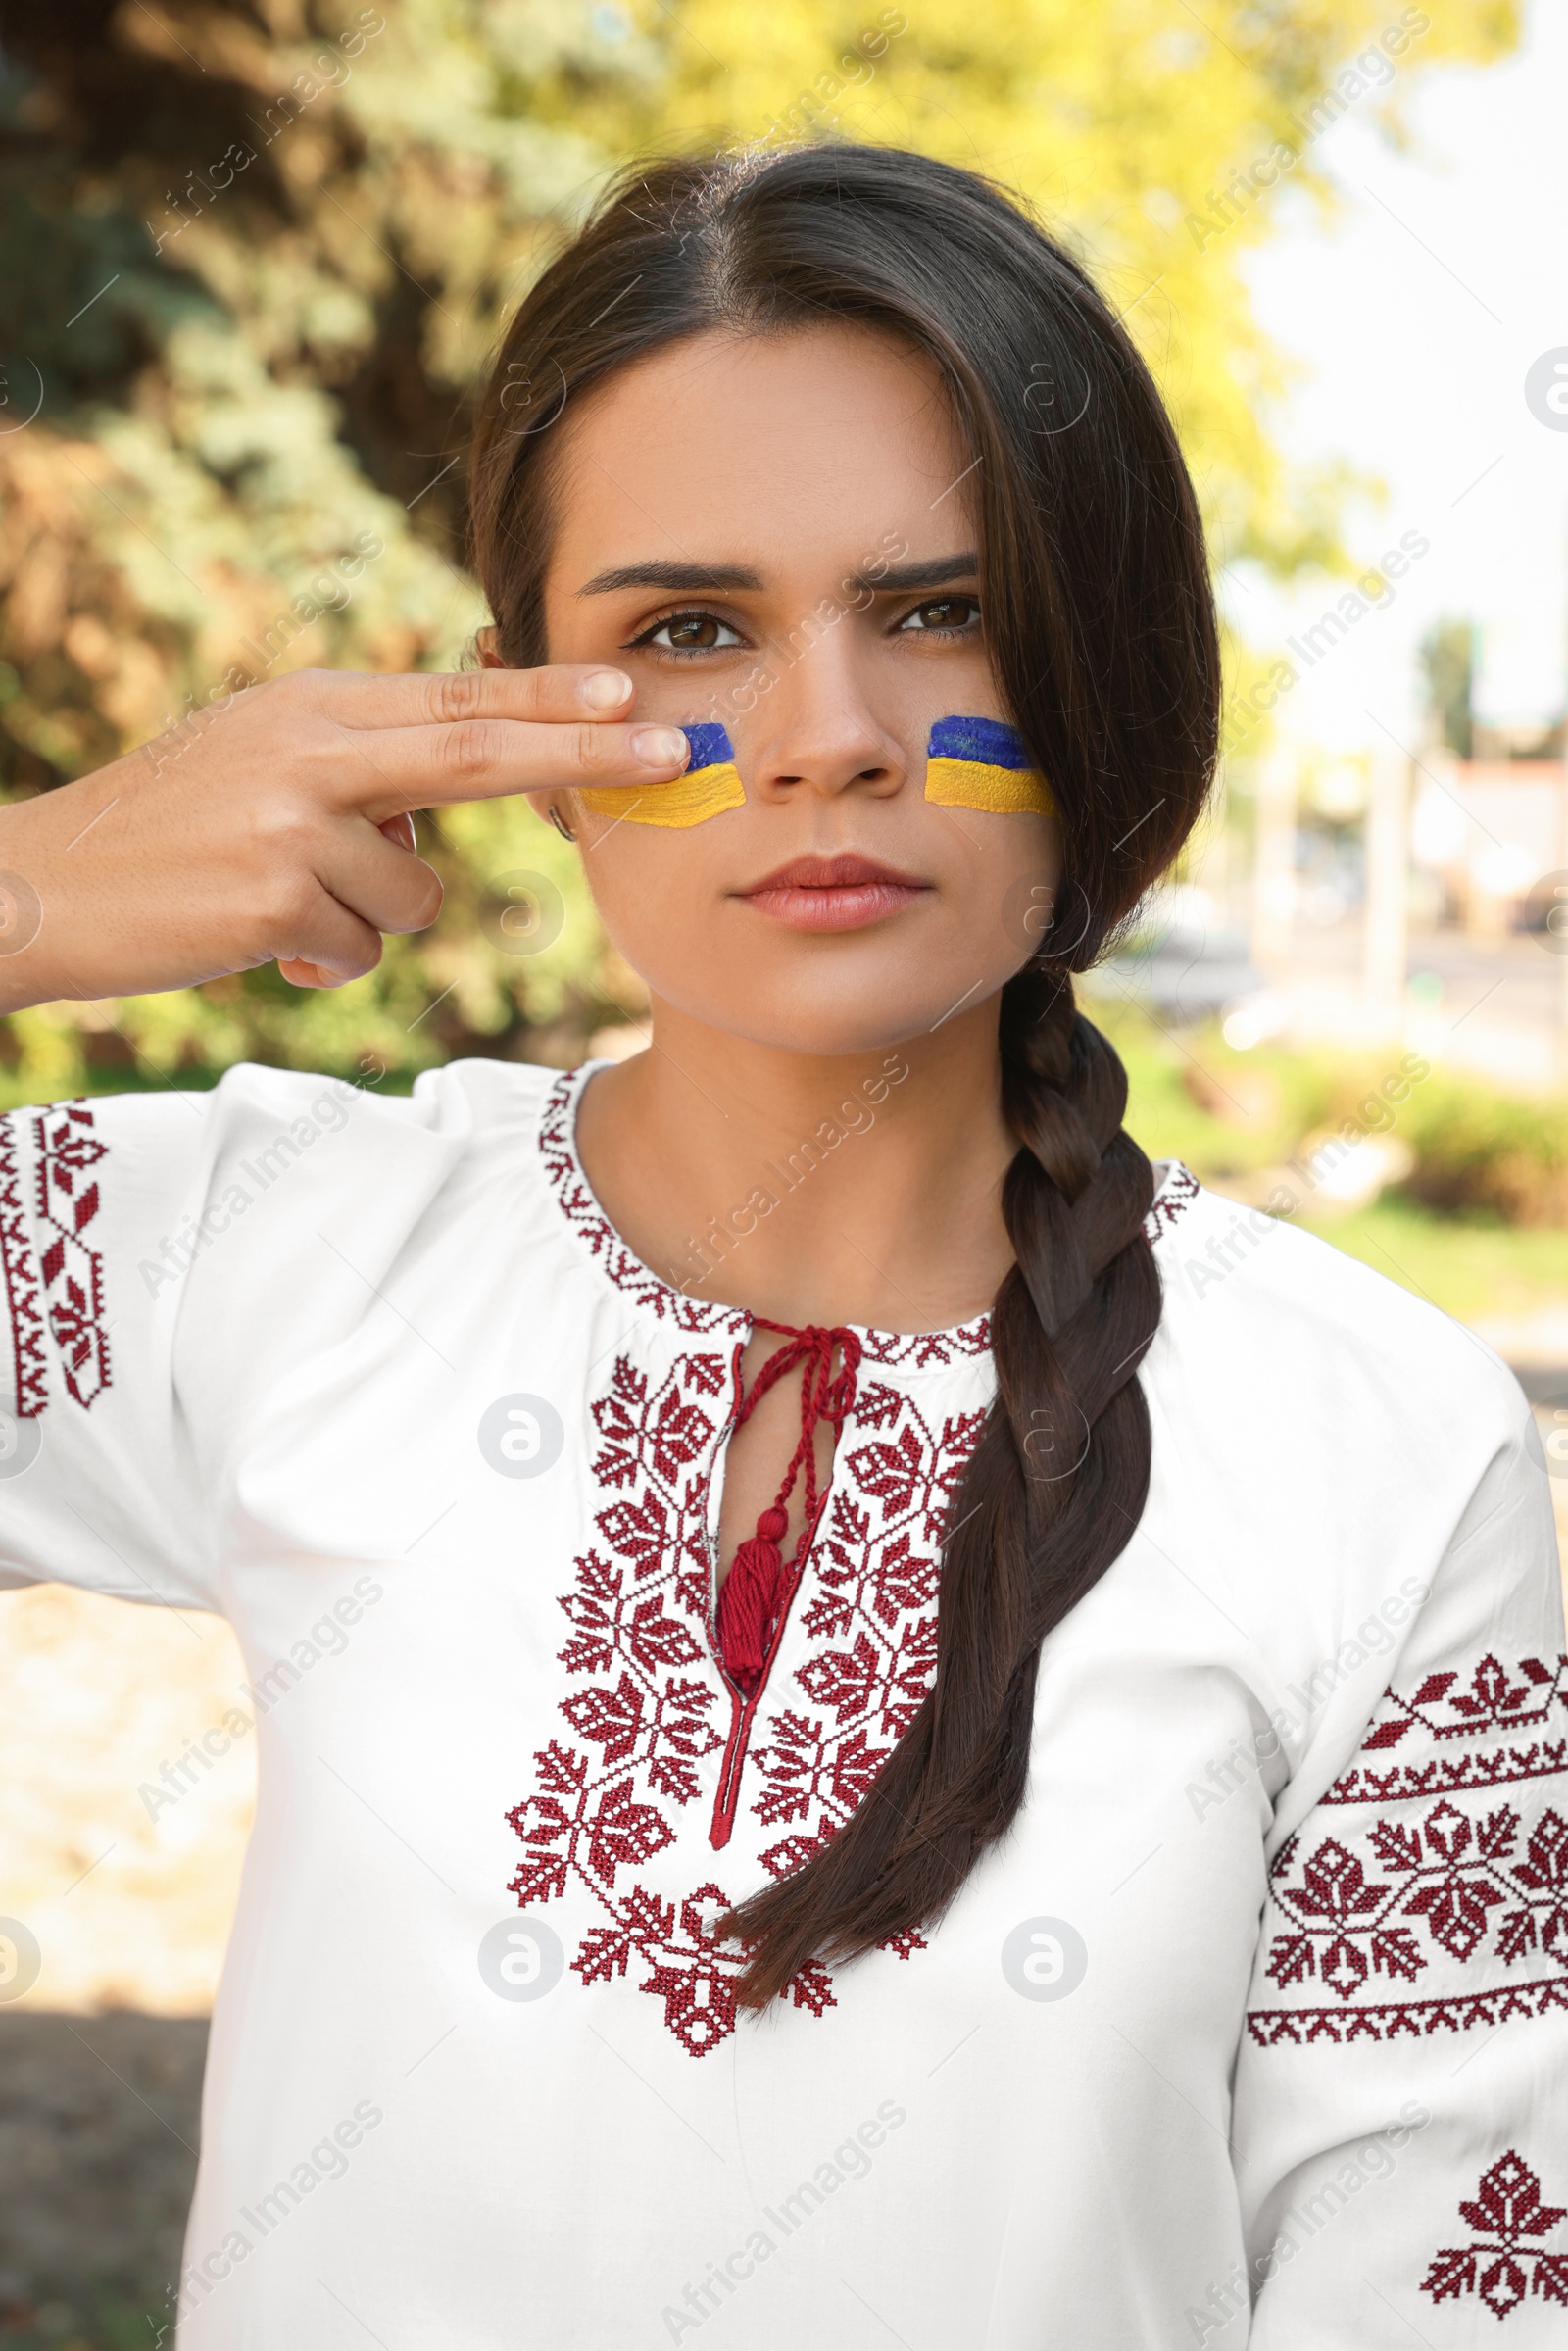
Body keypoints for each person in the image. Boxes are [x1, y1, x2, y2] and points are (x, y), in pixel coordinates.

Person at [0, 144, 1562, 2349]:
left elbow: (1442, 2298)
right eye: (687, 632)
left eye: (938, 610)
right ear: (514, 724)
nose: (827, 736)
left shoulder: (1374, 1451)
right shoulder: (270, 1256)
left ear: (1100, 665)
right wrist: (29, 891)